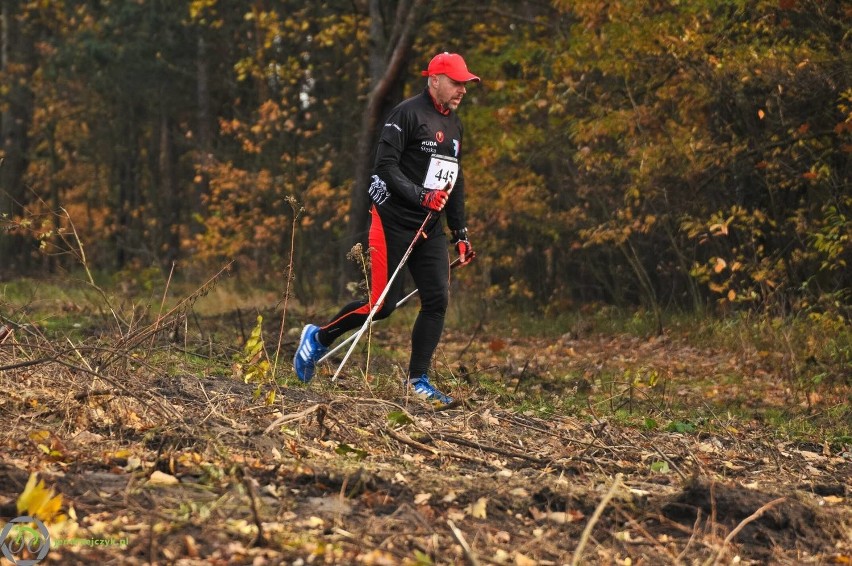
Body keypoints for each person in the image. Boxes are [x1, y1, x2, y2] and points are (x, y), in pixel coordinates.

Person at [293, 52, 479, 405]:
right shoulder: (406, 114)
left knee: (437, 299)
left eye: (465, 84)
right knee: (382, 306)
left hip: (430, 228)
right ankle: (318, 338)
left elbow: (455, 180)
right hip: (392, 221)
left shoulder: (455, 125)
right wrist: (420, 195)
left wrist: (461, 233)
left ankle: (418, 380)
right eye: (456, 83)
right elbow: (385, 167)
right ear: (435, 80)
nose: (462, 91)